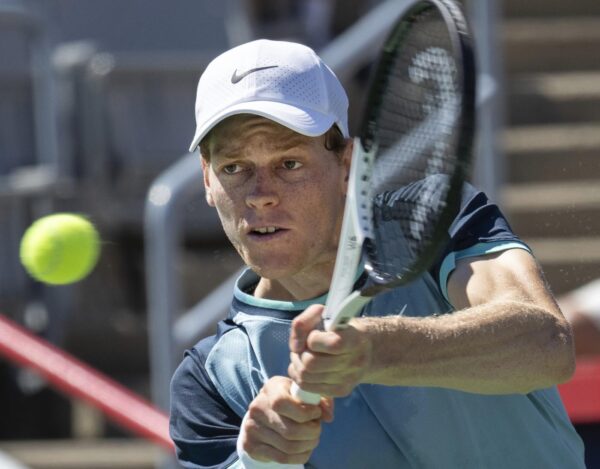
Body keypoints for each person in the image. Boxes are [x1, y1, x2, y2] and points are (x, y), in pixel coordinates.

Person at [170, 39, 585, 468]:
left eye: (289, 164)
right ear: (207, 178)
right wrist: (262, 462)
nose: (260, 196)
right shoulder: (209, 380)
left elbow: (546, 343)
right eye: (234, 168)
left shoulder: (430, 218)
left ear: (347, 164)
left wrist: (379, 350)